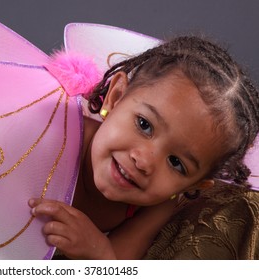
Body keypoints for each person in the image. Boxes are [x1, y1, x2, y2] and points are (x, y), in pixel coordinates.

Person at [28, 36, 259, 259]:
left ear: (195, 184)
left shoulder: (158, 205)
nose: (144, 161)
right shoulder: (53, 133)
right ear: (115, 96)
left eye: (176, 163)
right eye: (144, 125)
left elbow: (116, 263)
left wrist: (97, 251)